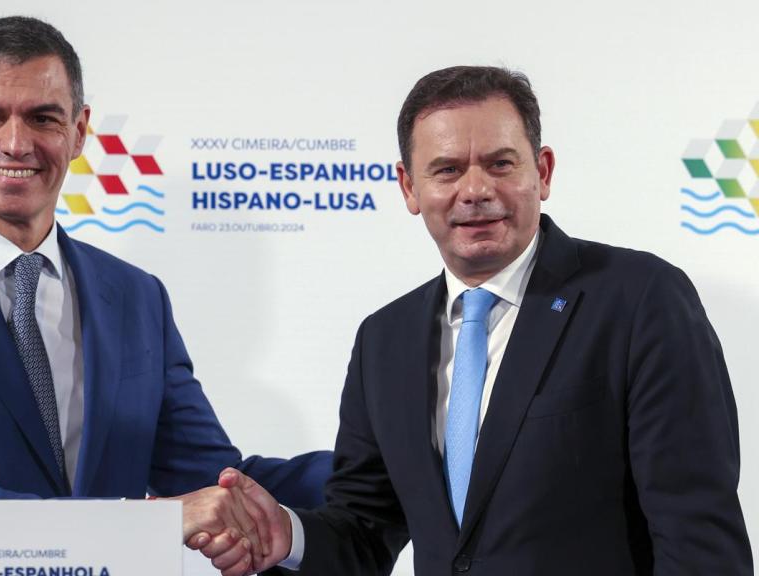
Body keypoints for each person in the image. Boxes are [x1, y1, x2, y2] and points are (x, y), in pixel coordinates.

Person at [0, 16, 330, 570]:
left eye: (43, 118)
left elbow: (211, 478)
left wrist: (396, 463)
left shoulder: (135, 297)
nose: (15, 143)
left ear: (79, 132)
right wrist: (154, 521)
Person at [198, 66, 753, 575]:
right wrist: (288, 534)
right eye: (446, 170)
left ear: (543, 170)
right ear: (410, 189)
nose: (476, 190)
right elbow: (364, 527)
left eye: (500, 163)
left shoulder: (638, 298)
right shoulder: (383, 340)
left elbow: (697, 535)